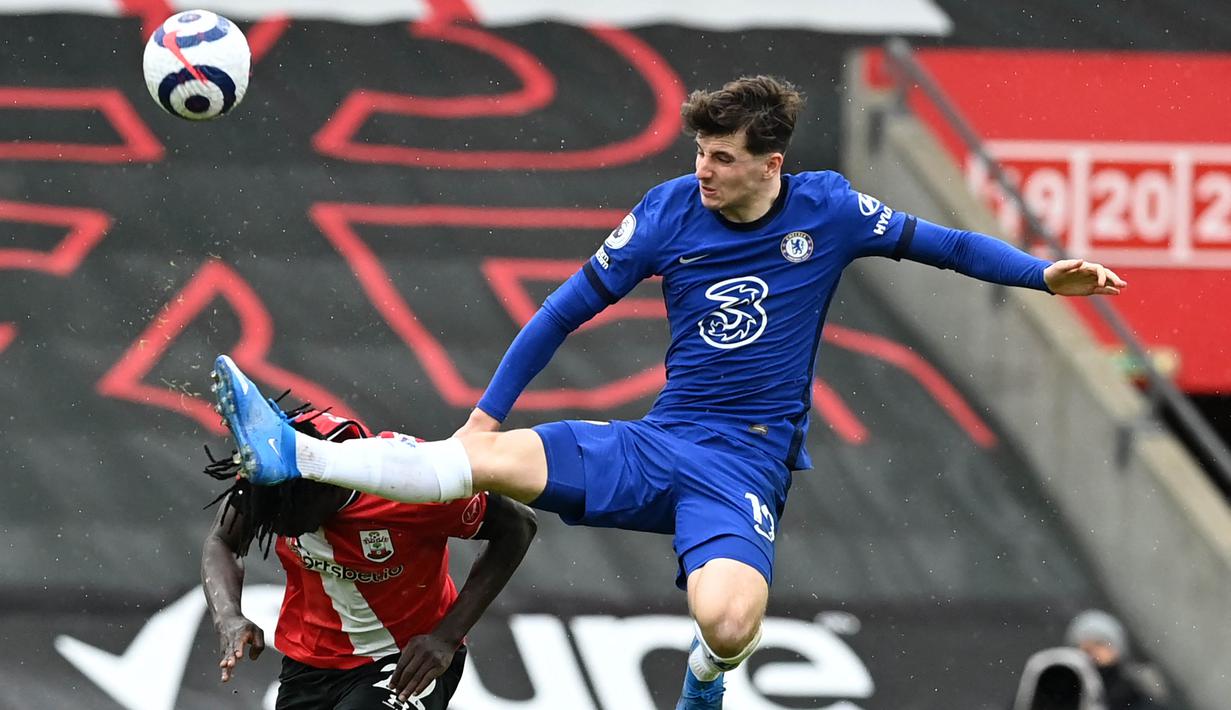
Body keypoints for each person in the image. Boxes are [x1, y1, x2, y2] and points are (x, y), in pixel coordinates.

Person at [207, 75, 1127, 709]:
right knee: (473, 459)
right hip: (658, 441)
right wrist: (488, 413)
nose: (703, 169)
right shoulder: (665, 213)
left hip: (741, 467)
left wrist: (1045, 276)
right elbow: (563, 310)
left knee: (727, 621)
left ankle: (705, 675)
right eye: (699, 150)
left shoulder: (831, 210)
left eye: (722, 158)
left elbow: (948, 245)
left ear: (771, 163)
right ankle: (303, 452)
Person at [201, 402, 537, 709]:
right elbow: (223, 540)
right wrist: (228, 615)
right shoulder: (273, 463)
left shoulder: (411, 480)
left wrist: (445, 637)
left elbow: (518, 525)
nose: (284, 530)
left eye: (291, 520)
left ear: (329, 486)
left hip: (404, 658)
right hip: (308, 663)